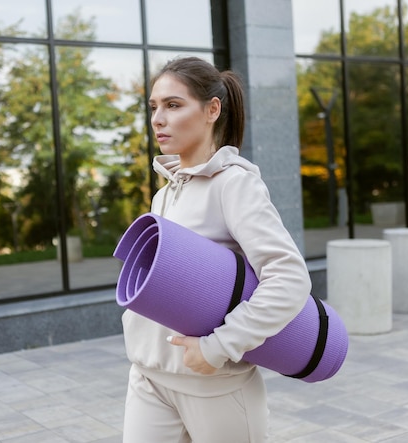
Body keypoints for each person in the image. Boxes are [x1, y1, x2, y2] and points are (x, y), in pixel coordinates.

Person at [121, 56, 311, 442]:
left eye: (173, 105)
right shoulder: (163, 196)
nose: (158, 118)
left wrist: (219, 346)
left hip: (216, 386)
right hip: (148, 376)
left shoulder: (235, 186)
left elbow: (289, 278)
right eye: (154, 107)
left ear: (212, 110)